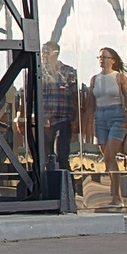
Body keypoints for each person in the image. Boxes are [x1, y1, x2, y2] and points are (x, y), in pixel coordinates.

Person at [82, 48, 127, 209]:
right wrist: (88, 121)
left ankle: (117, 194)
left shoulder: (119, 78)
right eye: (100, 57)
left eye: (105, 57)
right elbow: (91, 102)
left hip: (116, 114)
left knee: (110, 155)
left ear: (113, 60)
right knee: (107, 158)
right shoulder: (95, 79)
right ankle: (115, 193)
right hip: (100, 116)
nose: (102, 59)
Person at [37, 42, 80, 186]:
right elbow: (28, 95)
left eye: (47, 52)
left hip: (64, 119)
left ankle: (68, 189)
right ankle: (49, 189)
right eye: (43, 52)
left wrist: (77, 119)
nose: (44, 55)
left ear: (56, 53)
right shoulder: (38, 72)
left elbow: (75, 97)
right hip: (44, 121)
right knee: (45, 157)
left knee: (62, 155)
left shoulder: (68, 72)